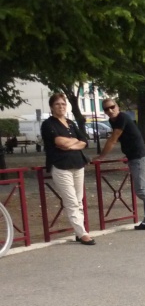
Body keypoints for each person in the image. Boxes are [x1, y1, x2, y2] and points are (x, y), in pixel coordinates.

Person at [93, 99, 145, 230]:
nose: (110, 110)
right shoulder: (113, 121)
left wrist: (101, 157)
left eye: (112, 107)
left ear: (118, 107)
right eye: (106, 109)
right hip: (135, 157)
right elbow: (129, 138)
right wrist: (128, 154)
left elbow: (113, 139)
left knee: (141, 191)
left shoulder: (122, 117)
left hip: (139, 158)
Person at [40, 93, 95, 246]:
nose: (61, 107)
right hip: (60, 166)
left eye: (63, 104)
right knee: (71, 201)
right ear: (52, 107)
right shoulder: (49, 124)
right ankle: (82, 233)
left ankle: (80, 231)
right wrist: (72, 143)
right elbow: (58, 141)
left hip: (78, 164)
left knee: (79, 200)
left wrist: (70, 144)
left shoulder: (70, 123)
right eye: (57, 104)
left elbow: (84, 141)